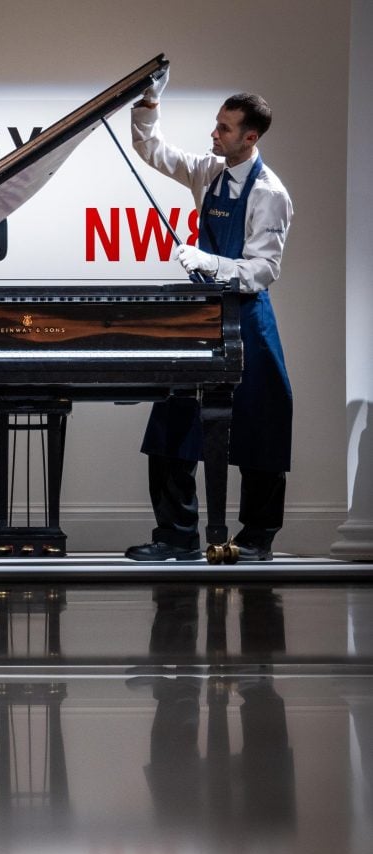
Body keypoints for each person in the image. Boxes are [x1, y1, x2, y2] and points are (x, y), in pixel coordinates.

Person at [125, 68, 293, 562]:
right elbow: (151, 150)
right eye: (216, 124)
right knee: (172, 425)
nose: (213, 134)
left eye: (224, 128)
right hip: (202, 319)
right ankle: (176, 537)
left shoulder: (271, 194)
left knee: (262, 426)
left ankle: (256, 539)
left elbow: (264, 269)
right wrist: (148, 105)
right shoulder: (209, 171)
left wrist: (211, 262)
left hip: (247, 319)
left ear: (250, 136)